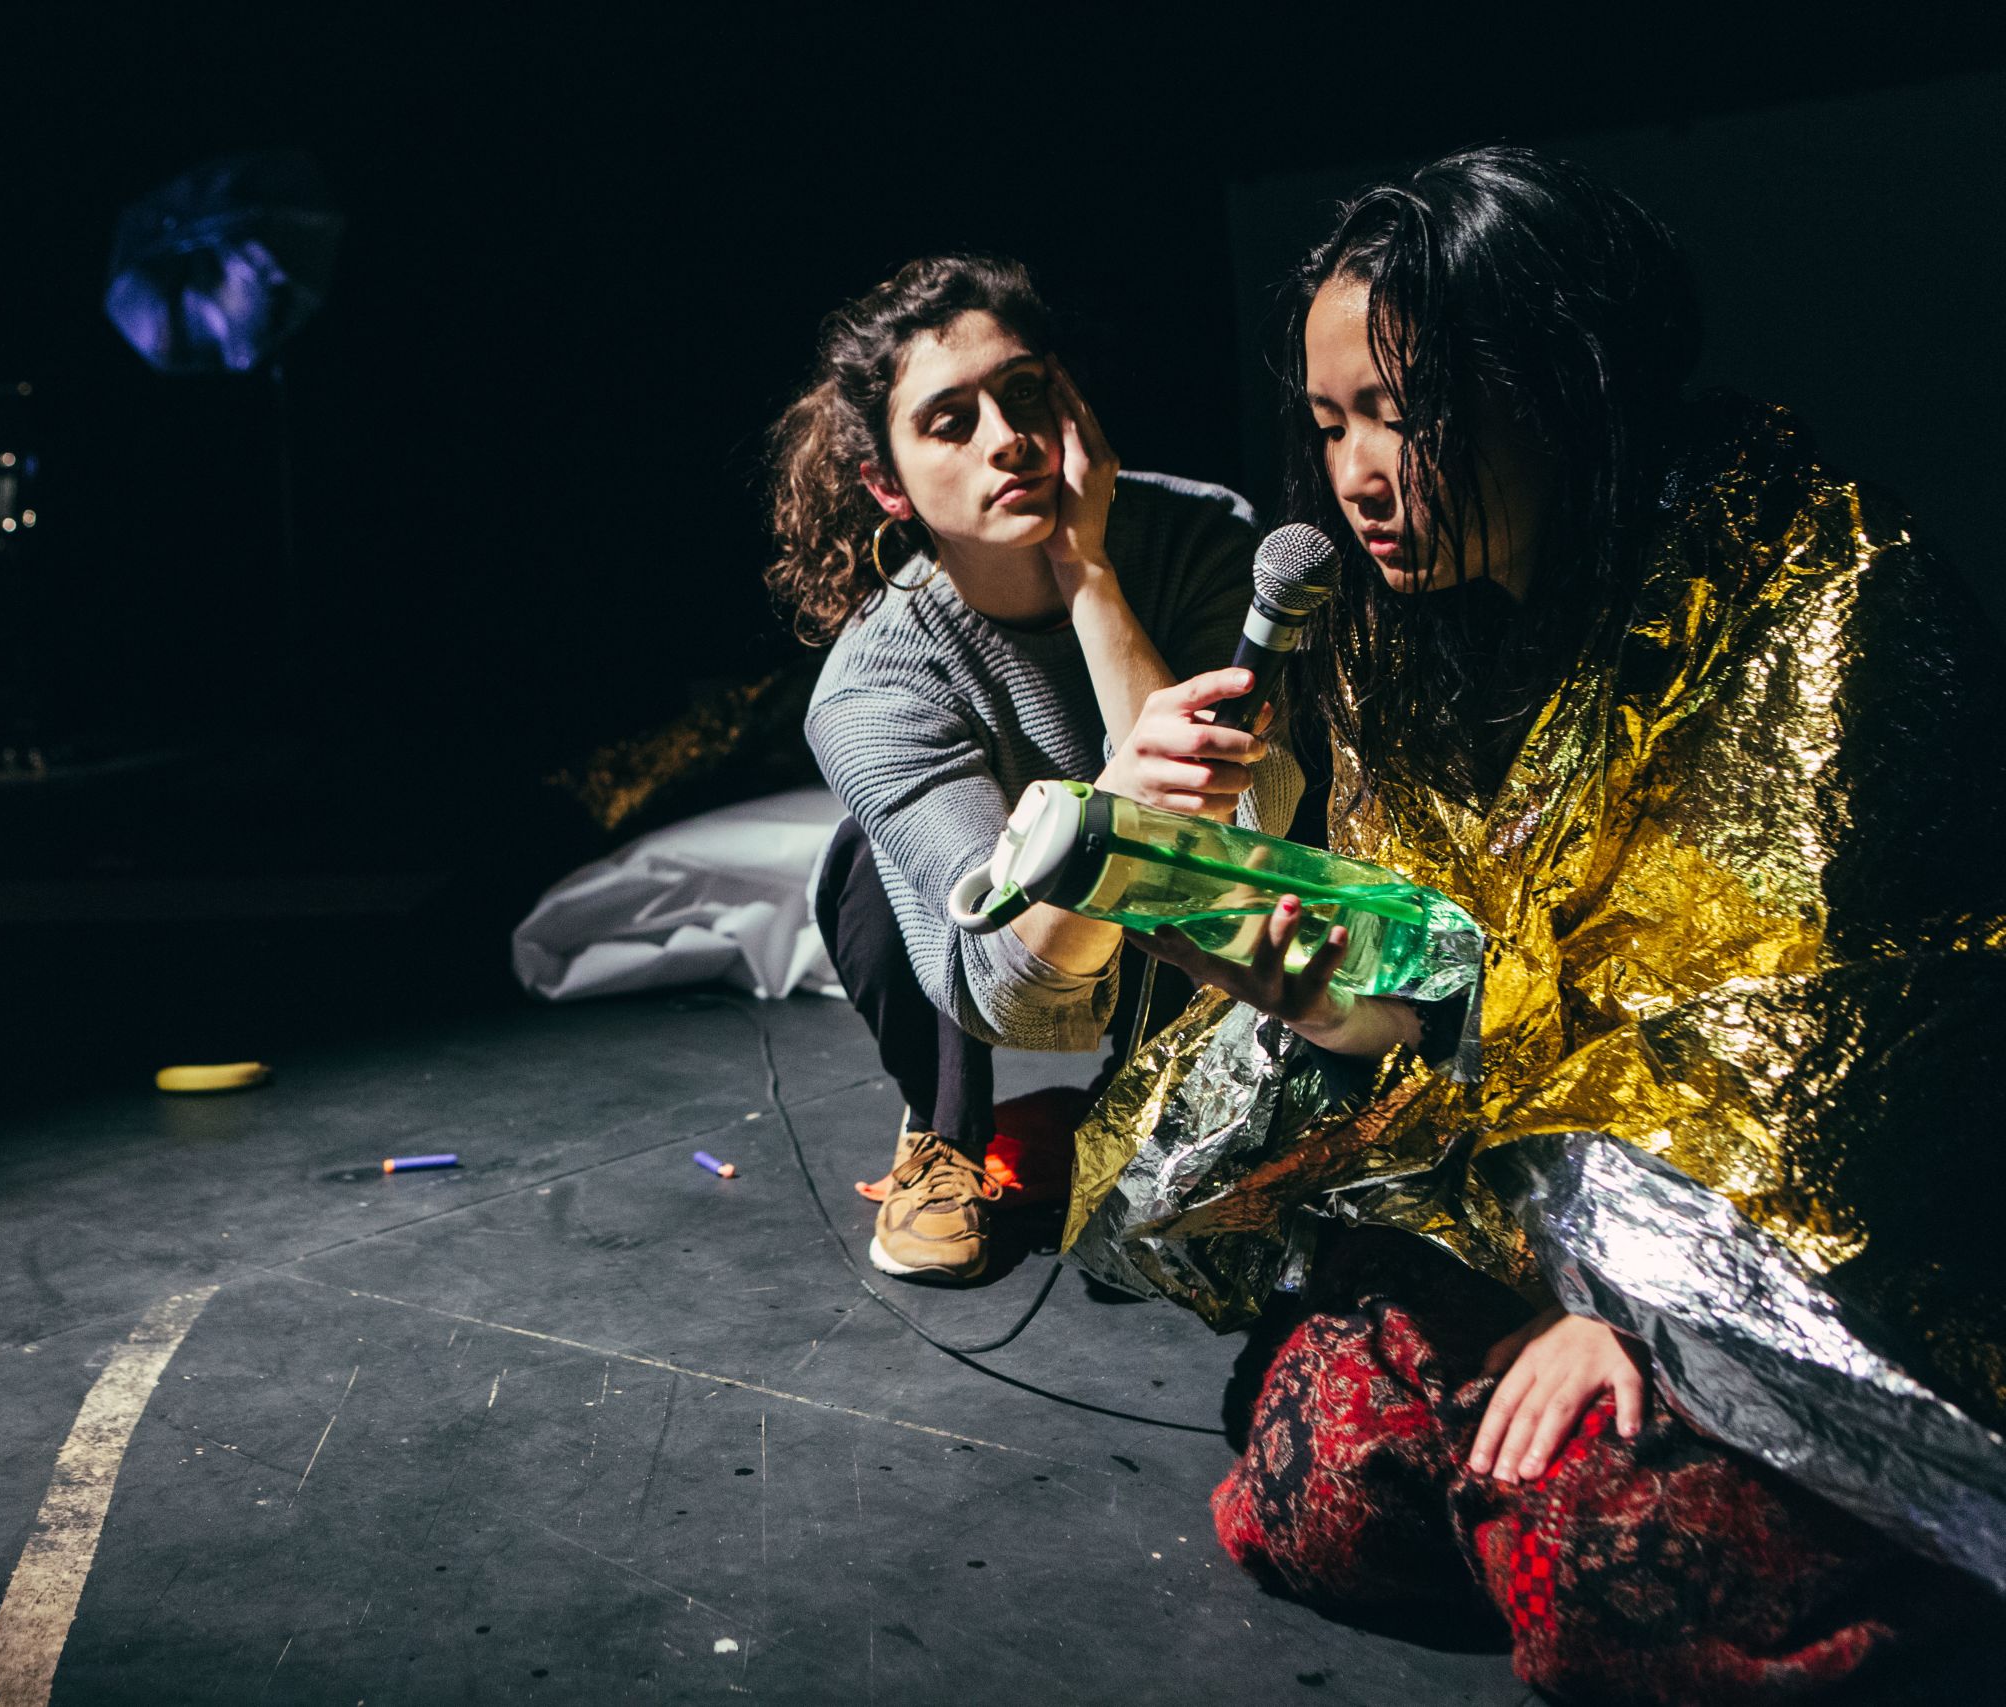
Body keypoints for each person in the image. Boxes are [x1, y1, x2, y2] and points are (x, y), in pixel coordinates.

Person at [1065, 147, 2005, 1701]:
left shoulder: (1832, 589)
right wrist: (1243, 916)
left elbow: (1839, 1057)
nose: (1359, 474)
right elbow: (1444, 1001)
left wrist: (1650, 1323)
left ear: (1563, 383)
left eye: (1406, 413)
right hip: (1521, 1220)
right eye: (1328, 423)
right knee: (1324, 1479)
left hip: (1811, 1257)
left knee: (1614, 1572)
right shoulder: (1399, 637)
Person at [768, 254, 1301, 1285]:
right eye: (948, 422)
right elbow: (1014, 998)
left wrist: (1088, 571)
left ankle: (1126, 1101)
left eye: (1023, 396)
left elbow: (1247, 843)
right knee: (869, 868)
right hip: (1025, 949)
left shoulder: (1202, 537)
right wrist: (1113, 807)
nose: (1006, 439)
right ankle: (945, 1135)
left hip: (1197, 925)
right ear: (887, 485)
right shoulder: (872, 685)